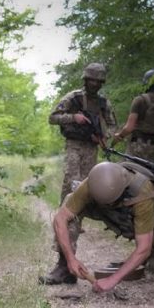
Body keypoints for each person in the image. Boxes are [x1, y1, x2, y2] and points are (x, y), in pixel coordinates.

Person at [51, 161, 154, 293]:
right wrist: (70, 259)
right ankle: (64, 268)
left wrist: (112, 279)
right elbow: (60, 219)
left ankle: (152, 261)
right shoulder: (92, 183)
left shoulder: (143, 193)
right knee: (69, 204)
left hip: (134, 214)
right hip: (105, 210)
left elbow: (144, 247)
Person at [41, 62, 118, 285]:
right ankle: (63, 264)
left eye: (98, 81)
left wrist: (103, 136)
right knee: (69, 200)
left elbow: (113, 127)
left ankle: (67, 264)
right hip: (74, 148)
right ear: (85, 80)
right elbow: (53, 117)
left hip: (91, 151)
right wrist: (73, 118)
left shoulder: (103, 103)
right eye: (90, 80)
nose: (94, 84)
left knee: (83, 201)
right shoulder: (73, 98)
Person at [112, 69, 154, 161]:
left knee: (124, 170)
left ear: (146, 83)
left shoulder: (140, 100)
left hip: (137, 146)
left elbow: (129, 127)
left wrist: (119, 136)